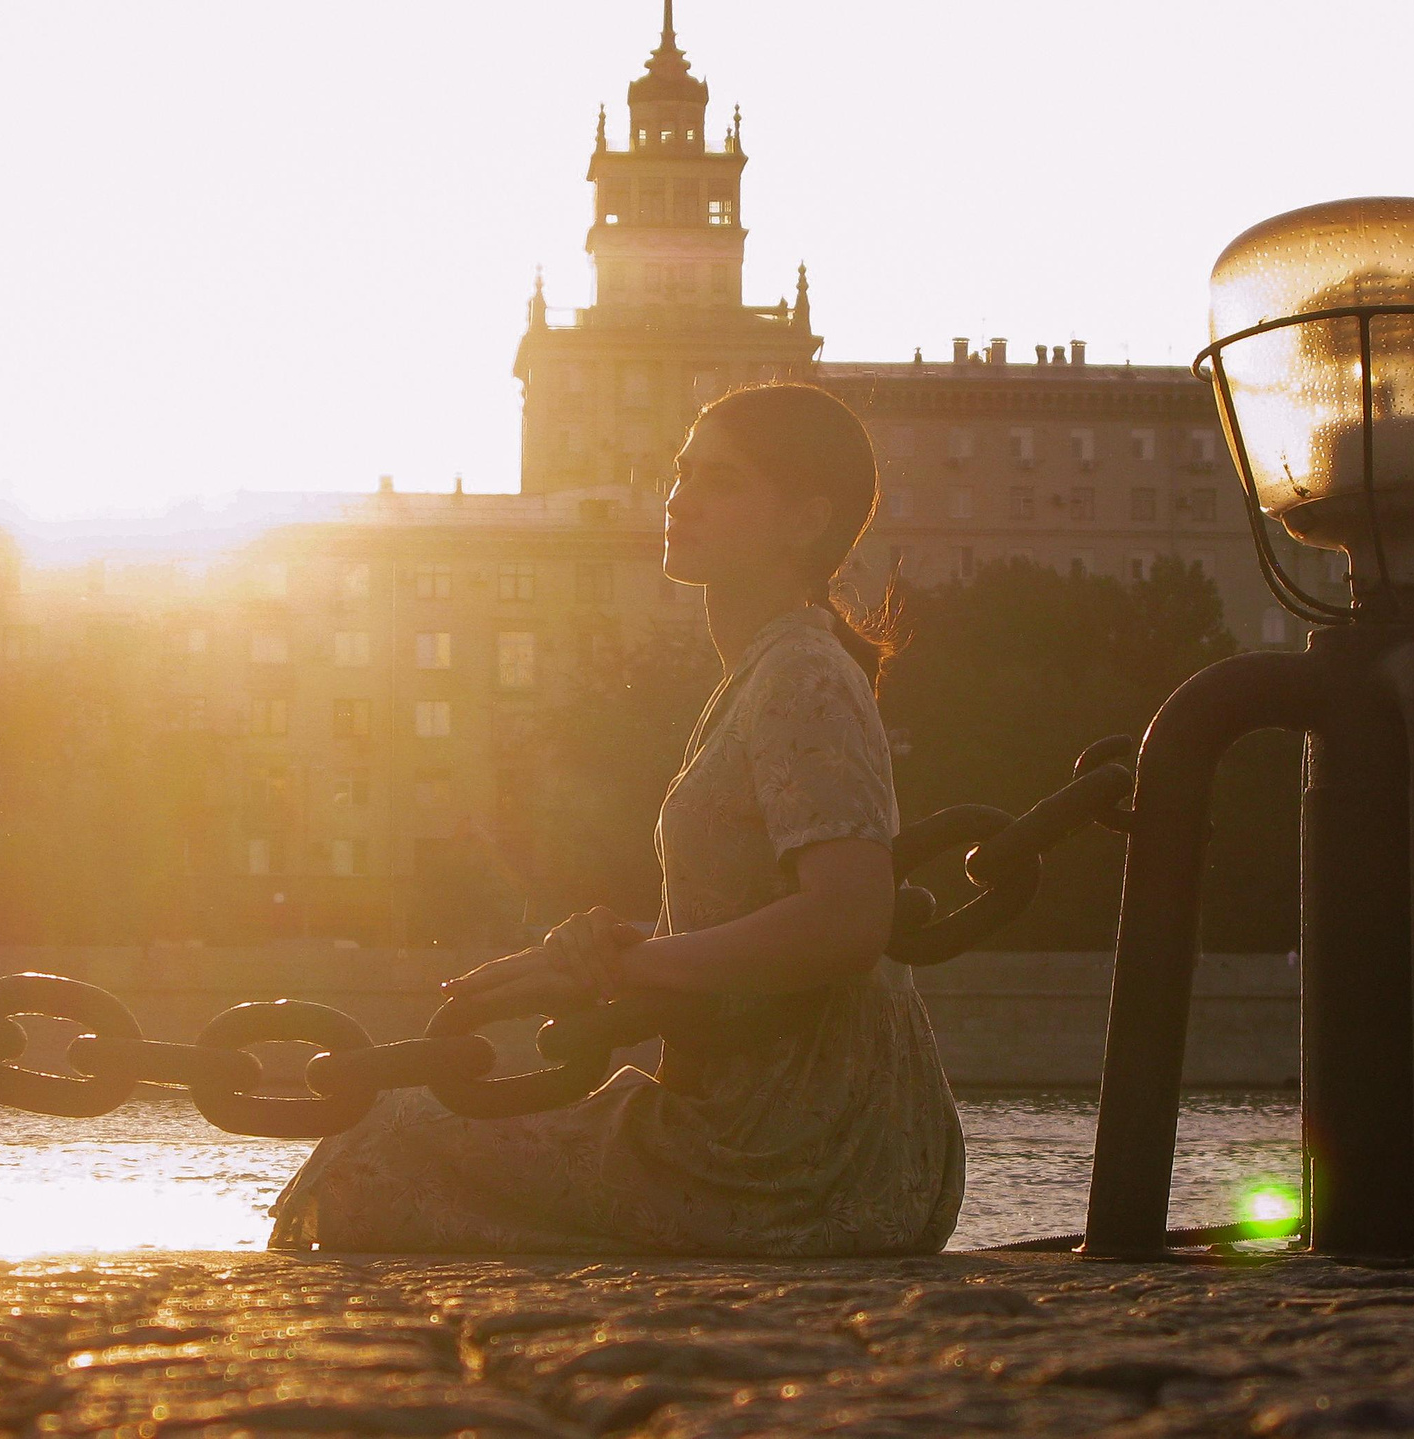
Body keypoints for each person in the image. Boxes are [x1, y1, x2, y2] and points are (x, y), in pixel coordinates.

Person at [268, 383, 964, 1255]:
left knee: (381, 1144)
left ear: (805, 521)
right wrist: (604, 949)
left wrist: (617, 970)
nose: (681, 497)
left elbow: (846, 920)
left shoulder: (803, 674)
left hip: (794, 1159)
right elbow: (755, 923)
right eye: (682, 471)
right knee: (391, 1133)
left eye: (722, 480)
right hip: (785, 1138)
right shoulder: (768, 670)